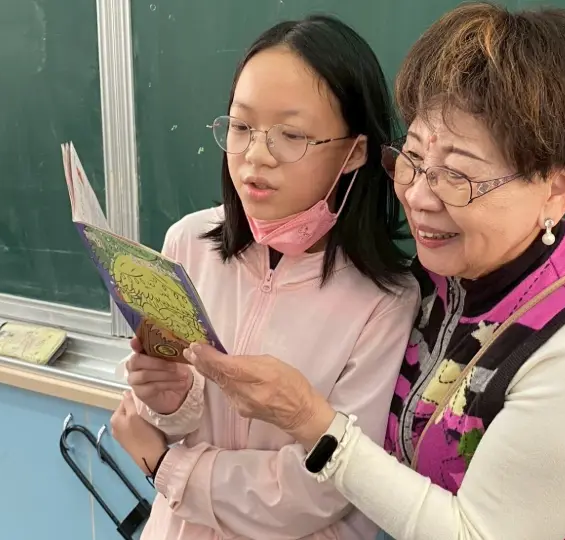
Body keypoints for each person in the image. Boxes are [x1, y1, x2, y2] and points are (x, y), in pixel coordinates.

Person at [183, 4, 565, 540]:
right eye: (413, 159)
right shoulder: (435, 288)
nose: (417, 196)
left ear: (557, 187)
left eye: (457, 175)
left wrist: (309, 421)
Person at [109, 14, 420, 540]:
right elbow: (152, 420)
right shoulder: (188, 244)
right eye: (241, 127)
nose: (256, 155)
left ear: (354, 152)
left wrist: (168, 467)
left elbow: (325, 488)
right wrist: (169, 401)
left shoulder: (386, 300)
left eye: (291, 135)